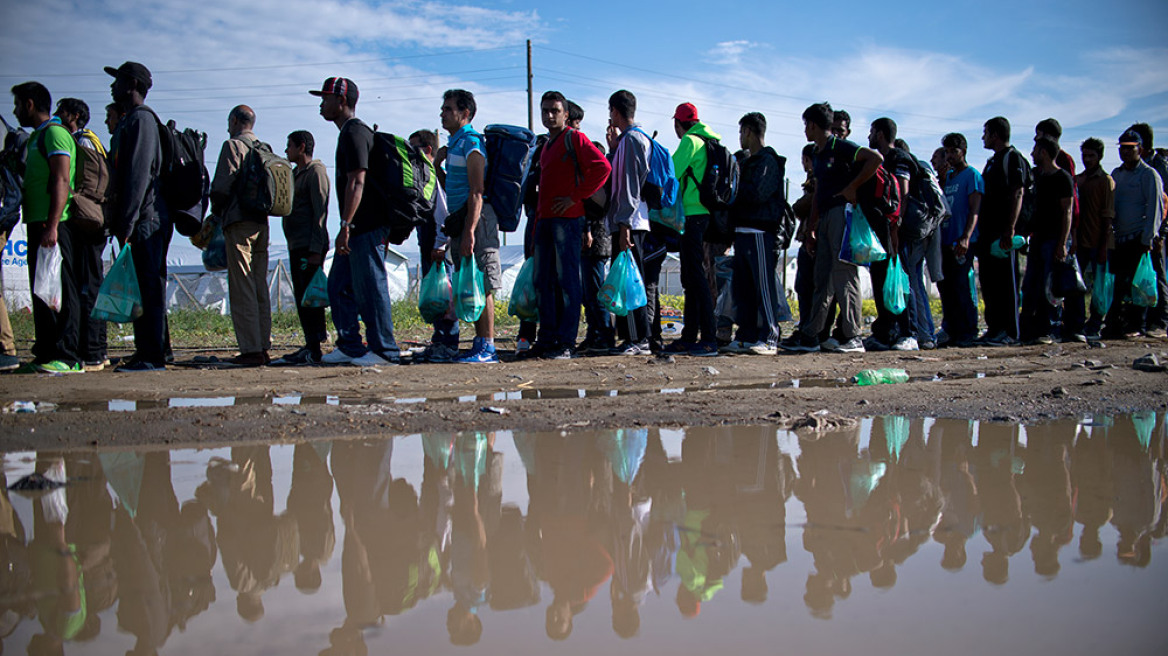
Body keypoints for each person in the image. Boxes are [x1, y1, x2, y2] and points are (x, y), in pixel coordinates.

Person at [312, 76, 402, 366]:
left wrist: (345, 226)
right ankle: (350, 345)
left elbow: (357, 181)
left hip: (366, 226)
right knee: (339, 285)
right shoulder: (348, 132)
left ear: (341, 101)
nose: (321, 105)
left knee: (371, 287)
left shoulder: (354, 132)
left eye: (325, 98)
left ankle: (385, 352)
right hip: (356, 227)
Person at [781, 102, 883, 353]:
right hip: (824, 217)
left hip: (841, 215)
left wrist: (853, 187)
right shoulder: (818, 153)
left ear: (813, 125)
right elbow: (818, 193)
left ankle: (853, 337)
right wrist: (812, 227)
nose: (805, 130)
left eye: (806, 125)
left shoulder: (840, 146)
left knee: (844, 275)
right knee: (822, 278)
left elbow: (875, 159)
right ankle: (811, 335)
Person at [530, 91, 611, 359]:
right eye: (545, 111)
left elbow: (603, 167)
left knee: (567, 282)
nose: (549, 115)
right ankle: (547, 338)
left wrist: (576, 196)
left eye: (555, 110)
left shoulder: (573, 138)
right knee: (543, 281)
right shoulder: (546, 146)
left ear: (566, 114)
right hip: (545, 221)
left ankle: (566, 342)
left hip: (568, 220)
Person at [11, 81, 81, 373]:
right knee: (42, 289)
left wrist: (52, 225)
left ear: (29, 104)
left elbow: (62, 180)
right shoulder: (36, 137)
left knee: (62, 290)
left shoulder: (54, 134)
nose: (14, 111)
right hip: (37, 222)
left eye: (17, 105)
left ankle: (68, 356)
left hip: (57, 224)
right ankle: (45, 352)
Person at [106, 61, 169, 372]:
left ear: (131, 84)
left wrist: (127, 221)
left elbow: (138, 174)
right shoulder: (131, 120)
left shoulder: (142, 120)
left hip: (147, 219)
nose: (111, 86)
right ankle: (153, 351)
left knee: (147, 286)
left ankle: (151, 356)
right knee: (145, 286)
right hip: (142, 218)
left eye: (116, 80)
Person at [439, 89, 502, 363]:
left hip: (477, 221)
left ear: (465, 114)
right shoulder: (455, 144)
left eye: (448, 108)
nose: (442, 113)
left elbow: (477, 190)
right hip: (461, 221)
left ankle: (488, 346)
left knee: (484, 282)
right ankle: (479, 343)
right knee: (471, 282)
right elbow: (452, 187)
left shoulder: (472, 143)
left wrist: (469, 232)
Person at [210, 105, 272, 366]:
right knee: (259, 285)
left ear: (235, 121)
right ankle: (263, 344)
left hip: (239, 221)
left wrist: (215, 214)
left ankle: (250, 350)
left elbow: (222, 187)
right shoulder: (265, 148)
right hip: (262, 223)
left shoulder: (233, 146)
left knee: (242, 286)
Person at [725, 112, 790, 354]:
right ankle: (747, 335)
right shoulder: (746, 161)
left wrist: (735, 188)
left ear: (750, 132)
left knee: (764, 287)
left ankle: (770, 337)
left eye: (742, 132)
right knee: (743, 290)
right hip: (742, 232)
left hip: (760, 232)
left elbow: (758, 194)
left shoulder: (767, 161)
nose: (740, 137)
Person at [606, 90, 663, 355]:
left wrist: (624, 224)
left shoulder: (631, 141)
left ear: (615, 111)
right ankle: (639, 337)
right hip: (634, 220)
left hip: (630, 222)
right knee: (633, 279)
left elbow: (629, 185)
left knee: (628, 282)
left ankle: (637, 338)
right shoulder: (633, 140)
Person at [54, 97, 109, 371]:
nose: (57, 115)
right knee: (87, 283)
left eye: (61, 111)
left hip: (88, 218)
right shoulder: (86, 139)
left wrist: (76, 198)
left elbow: (94, 179)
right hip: (90, 218)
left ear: (74, 115)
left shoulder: (84, 141)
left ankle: (94, 350)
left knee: (89, 285)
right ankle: (94, 348)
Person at [666, 103, 721, 357]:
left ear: (678, 123)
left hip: (692, 215)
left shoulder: (690, 141)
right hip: (703, 215)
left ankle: (708, 339)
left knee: (695, 278)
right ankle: (689, 337)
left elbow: (672, 171)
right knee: (691, 277)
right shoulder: (708, 139)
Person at [1102, 129, 1165, 338]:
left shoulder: (1149, 175)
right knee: (1120, 285)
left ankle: (1139, 325)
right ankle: (1117, 325)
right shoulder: (1117, 175)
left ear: (1141, 149)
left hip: (1139, 238)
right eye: (1122, 148)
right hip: (1120, 238)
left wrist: (1148, 238)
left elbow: (1154, 209)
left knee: (1139, 285)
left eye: (1130, 149)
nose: (1125, 153)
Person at [274, 129, 329, 365]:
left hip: (309, 246)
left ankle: (315, 348)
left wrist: (317, 249)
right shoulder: (295, 174)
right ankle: (309, 343)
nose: (286, 150)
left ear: (302, 147)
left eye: (290, 146)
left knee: (311, 298)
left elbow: (321, 212)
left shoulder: (315, 172)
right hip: (297, 244)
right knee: (302, 297)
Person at [866, 117, 917, 351]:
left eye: (872, 132)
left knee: (900, 281)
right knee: (882, 279)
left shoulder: (899, 159)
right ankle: (886, 332)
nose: (869, 137)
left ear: (881, 134)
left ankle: (909, 333)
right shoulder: (881, 161)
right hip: (881, 232)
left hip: (896, 231)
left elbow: (903, 194)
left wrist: (896, 228)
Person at [976, 116, 1027, 346]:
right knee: (990, 283)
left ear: (995, 134)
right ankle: (994, 329)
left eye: (986, 133)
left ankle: (1010, 332)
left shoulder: (1012, 158)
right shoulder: (992, 161)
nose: (983, 137)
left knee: (1007, 284)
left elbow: (1018, 193)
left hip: (1003, 235)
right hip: (988, 235)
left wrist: (1010, 229)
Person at [410, 128, 459, 363]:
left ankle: (448, 343)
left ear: (428, 150)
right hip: (429, 243)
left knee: (444, 295)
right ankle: (440, 340)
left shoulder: (432, 176)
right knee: (436, 296)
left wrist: (440, 244)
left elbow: (443, 213)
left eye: (415, 148)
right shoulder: (423, 175)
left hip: (439, 246)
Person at [1019, 135, 1074, 344]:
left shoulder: (1062, 178)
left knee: (1049, 287)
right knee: (1031, 284)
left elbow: (1067, 211)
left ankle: (1049, 329)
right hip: (1038, 238)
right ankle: (1029, 330)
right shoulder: (1036, 178)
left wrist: (1062, 243)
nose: (1032, 154)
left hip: (1053, 239)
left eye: (1035, 150)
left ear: (1043, 152)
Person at [571, 102, 616, 356]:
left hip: (597, 241)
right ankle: (595, 334)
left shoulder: (597, 183)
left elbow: (597, 209)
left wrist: (587, 228)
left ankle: (604, 336)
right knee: (590, 292)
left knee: (596, 291)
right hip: (593, 241)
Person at [937, 133, 984, 348]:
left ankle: (969, 331)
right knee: (948, 289)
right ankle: (953, 330)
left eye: (953, 152)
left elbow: (975, 209)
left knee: (964, 287)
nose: (949, 156)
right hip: (946, 241)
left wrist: (966, 237)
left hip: (963, 242)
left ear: (962, 151)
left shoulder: (972, 175)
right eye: (946, 152)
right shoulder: (949, 178)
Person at [1067, 138, 1115, 339]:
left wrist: (1104, 246)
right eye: (1085, 155)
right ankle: (1076, 323)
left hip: (1099, 241)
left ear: (1100, 156)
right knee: (1077, 285)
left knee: (1100, 286)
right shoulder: (1078, 180)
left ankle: (1096, 322)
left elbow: (1107, 216)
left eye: (1091, 156)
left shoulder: (1105, 181)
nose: (1087, 160)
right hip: (1081, 240)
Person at [1125, 123, 1168, 338]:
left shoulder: (1157, 167)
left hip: (1154, 232)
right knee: (1139, 278)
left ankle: (1160, 321)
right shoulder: (1126, 171)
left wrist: (1160, 233)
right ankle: (1138, 321)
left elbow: (1162, 202)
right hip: (1133, 232)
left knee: (1155, 275)